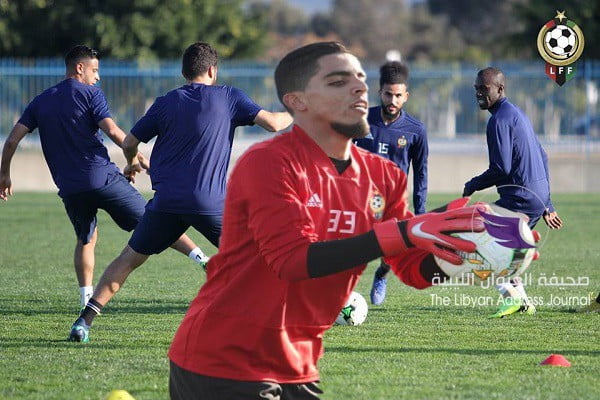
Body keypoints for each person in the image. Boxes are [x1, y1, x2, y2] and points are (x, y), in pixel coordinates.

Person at [167, 41, 486, 400]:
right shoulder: (267, 165)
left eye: (358, 77)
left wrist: (469, 258)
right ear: (298, 101)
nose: (357, 88)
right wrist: (395, 234)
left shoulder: (386, 178)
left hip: (295, 364)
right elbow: (291, 261)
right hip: (223, 357)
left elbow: (411, 266)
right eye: (336, 81)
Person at [68, 42, 293, 343]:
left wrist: (132, 162)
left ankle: (84, 321)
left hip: (167, 203)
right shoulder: (228, 97)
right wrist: (297, 111)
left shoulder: (166, 102)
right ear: (213, 70)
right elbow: (274, 124)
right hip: (210, 203)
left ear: (184, 71)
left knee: (127, 260)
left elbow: (129, 141)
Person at [0, 45, 207, 310]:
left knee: (86, 239)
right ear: (79, 68)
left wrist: (4, 174)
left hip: (70, 187)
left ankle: (86, 298)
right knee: (153, 219)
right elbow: (113, 132)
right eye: (94, 70)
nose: (97, 77)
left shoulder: (41, 100)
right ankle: (203, 259)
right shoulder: (90, 94)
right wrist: (135, 156)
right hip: (101, 178)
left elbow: (12, 140)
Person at [463, 67, 563, 318]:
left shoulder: (499, 121)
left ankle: (512, 297)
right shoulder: (516, 114)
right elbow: (542, 155)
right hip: (535, 197)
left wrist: (473, 184)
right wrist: (547, 203)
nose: (478, 93)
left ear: (499, 89)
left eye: (483, 89)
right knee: (506, 251)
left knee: (477, 237)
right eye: (476, 88)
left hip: (520, 197)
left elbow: (501, 168)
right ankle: (524, 303)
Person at [354, 61, 428, 305]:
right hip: (357, 197)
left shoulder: (415, 130)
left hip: (393, 202)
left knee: (393, 249)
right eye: (388, 94)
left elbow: (421, 172)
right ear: (380, 93)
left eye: (398, 95)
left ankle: (381, 275)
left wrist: (421, 211)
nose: (392, 100)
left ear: (406, 96)